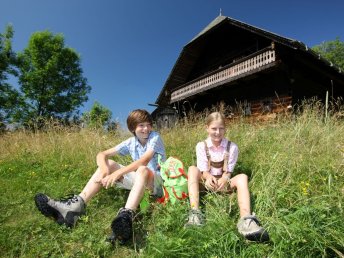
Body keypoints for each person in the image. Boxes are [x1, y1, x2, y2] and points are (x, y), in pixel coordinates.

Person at [34, 109, 166, 243]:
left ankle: (127, 215)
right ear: (132, 128)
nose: (147, 129)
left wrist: (119, 172)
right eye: (141, 125)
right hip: (140, 182)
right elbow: (102, 154)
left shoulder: (154, 137)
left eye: (149, 124)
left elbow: (144, 161)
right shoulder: (130, 142)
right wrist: (104, 169)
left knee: (142, 169)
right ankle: (74, 208)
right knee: (110, 163)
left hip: (158, 185)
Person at [185, 111, 269, 242]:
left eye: (221, 128)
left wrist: (225, 178)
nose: (217, 132)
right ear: (207, 128)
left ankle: (246, 221)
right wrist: (207, 177)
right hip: (206, 183)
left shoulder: (232, 147)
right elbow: (203, 169)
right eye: (214, 128)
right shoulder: (201, 146)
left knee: (242, 177)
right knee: (192, 169)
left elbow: (228, 171)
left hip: (223, 184)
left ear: (225, 129)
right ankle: (195, 214)